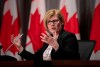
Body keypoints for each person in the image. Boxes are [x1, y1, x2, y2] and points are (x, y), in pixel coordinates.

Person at [11, 9, 80, 65]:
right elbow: (35, 58)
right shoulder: (49, 39)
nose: (52, 24)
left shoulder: (69, 37)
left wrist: (55, 45)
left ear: (61, 22)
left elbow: (69, 59)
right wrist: (20, 47)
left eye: (55, 21)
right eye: (49, 22)